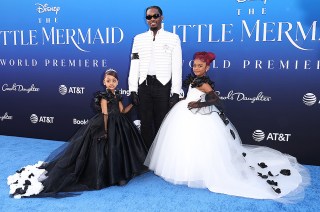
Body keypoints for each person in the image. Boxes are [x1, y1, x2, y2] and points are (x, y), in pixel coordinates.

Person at [144, 52, 310, 203]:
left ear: (207, 67)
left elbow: (215, 99)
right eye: (194, 65)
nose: (196, 68)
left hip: (198, 115)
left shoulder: (203, 82)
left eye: (200, 66)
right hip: (186, 112)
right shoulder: (195, 79)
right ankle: (183, 170)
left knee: (199, 143)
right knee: (186, 143)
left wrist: (199, 103)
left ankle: (198, 172)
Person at [7, 69, 148, 198]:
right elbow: (105, 114)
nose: (111, 83)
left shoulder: (117, 95)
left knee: (118, 150)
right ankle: (112, 177)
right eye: (108, 80)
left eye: (114, 81)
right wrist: (104, 131)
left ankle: (120, 174)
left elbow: (122, 111)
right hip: (107, 125)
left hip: (120, 124)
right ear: (104, 82)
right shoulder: (103, 96)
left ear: (117, 82)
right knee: (108, 150)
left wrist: (133, 104)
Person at [128, 5, 182, 149]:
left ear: (161, 17)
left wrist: (175, 92)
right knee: (145, 123)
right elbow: (134, 64)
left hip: (163, 87)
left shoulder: (173, 38)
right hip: (144, 86)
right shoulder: (138, 39)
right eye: (149, 17)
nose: (152, 19)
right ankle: (146, 156)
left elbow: (177, 67)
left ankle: (159, 156)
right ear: (146, 19)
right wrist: (133, 89)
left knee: (161, 123)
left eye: (155, 16)